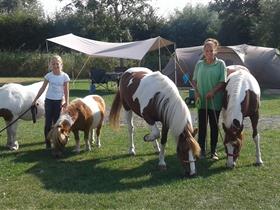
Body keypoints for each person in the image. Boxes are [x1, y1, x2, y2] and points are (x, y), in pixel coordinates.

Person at [192, 38, 227, 160]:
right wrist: (196, 92)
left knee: (213, 126)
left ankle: (213, 151)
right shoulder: (199, 64)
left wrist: (212, 92)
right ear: (203, 51)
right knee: (202, 126)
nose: (209, 53)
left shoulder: (221, 64)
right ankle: (201, 150)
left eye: (211, 51)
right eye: (207, 51)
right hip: (201, 101)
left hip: (214, 101)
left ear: (215, 51)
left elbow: (222, 82)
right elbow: (194, 80)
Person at [32, 55, 70, 149]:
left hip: (58, 102)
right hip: (49, 101)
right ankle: (47, 142)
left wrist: (67, 102)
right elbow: (42, 88)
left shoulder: (65, 76)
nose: (55, 65)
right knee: (48, 123)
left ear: (61, 64)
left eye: (57, 64)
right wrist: (35, 99)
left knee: (57, 123)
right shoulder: (48, 76)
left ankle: (56, 141)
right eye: (53, 64)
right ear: (50, 65)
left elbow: (66, 90)